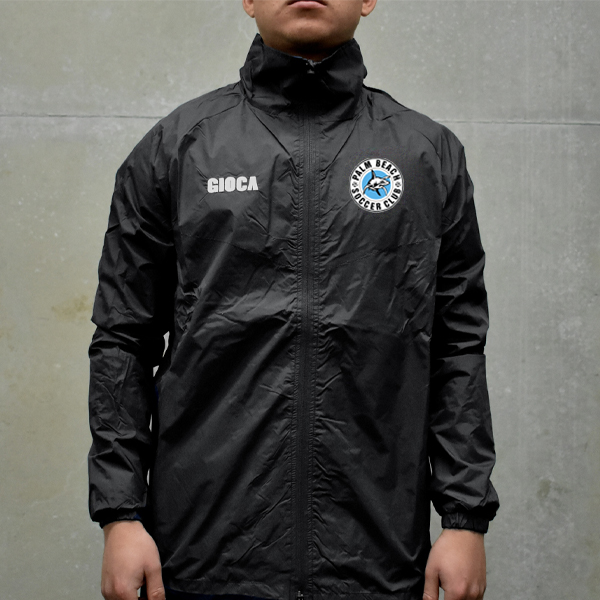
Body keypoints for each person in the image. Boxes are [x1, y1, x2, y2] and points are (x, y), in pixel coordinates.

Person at [87, 1, 500, 600]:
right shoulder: (177, 147)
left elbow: (458, 346)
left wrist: (464, 518)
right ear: (248, 0)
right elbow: (123, 338)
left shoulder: (427, 154)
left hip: (377, 553)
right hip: (201, 552)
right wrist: (120, 515)